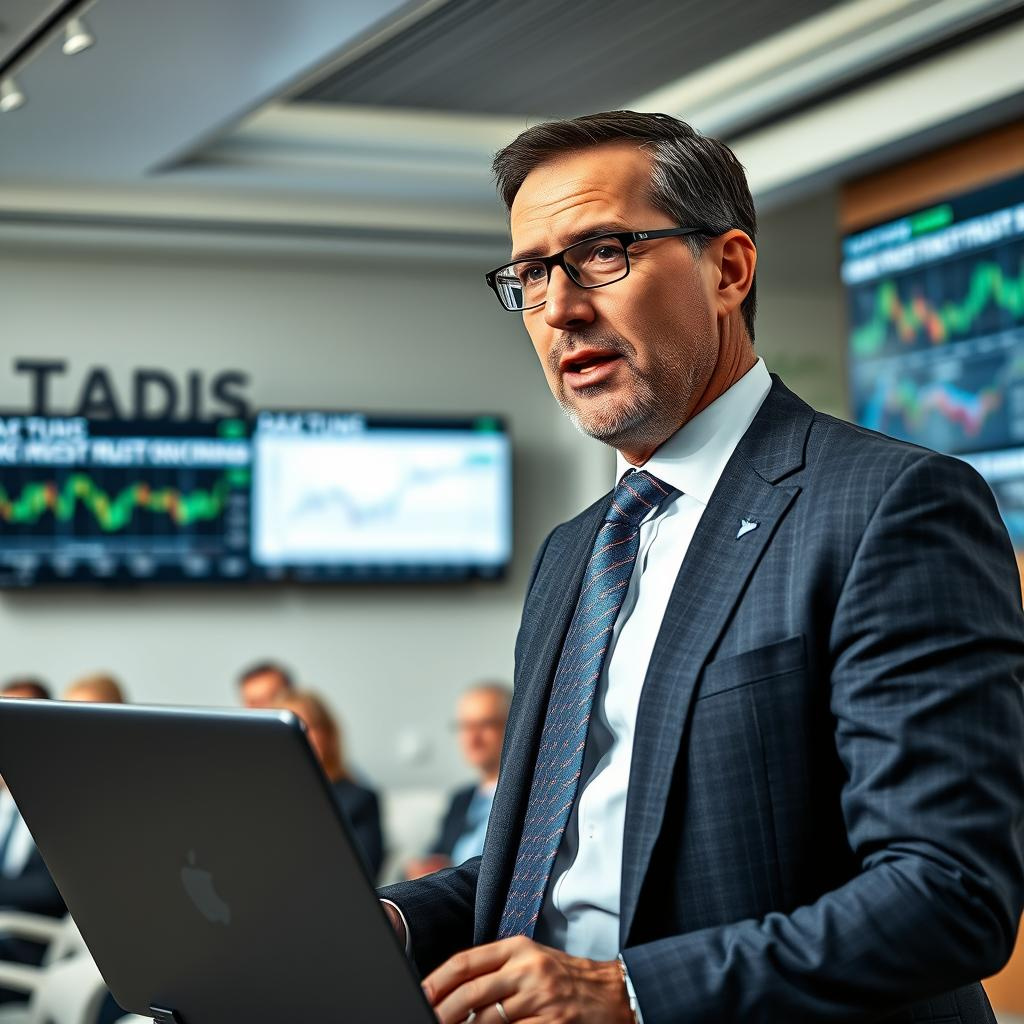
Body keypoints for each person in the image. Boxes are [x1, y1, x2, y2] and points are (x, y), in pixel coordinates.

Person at [379, 111, 1024, 1024]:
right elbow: (561, 859)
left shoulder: (892, 504)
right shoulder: (575, 550)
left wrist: (627, 993)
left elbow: (949, 892)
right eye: (532, 274)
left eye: (602, 252)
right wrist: (391, 923)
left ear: (728, 269)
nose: (560, 308)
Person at [275, 690, 385, 882]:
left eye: (307, 727)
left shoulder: (359, 800)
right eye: (288, 731)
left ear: (327, 733)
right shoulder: (269, 798)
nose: (299, 737)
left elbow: (361, 876)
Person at [406, 683, 511, 880]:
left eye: (485, 724)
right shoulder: (461, 799)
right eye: (465, 726)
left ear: (513, 726)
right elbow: (436, 856)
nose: (472, 738)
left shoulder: (530, 797)